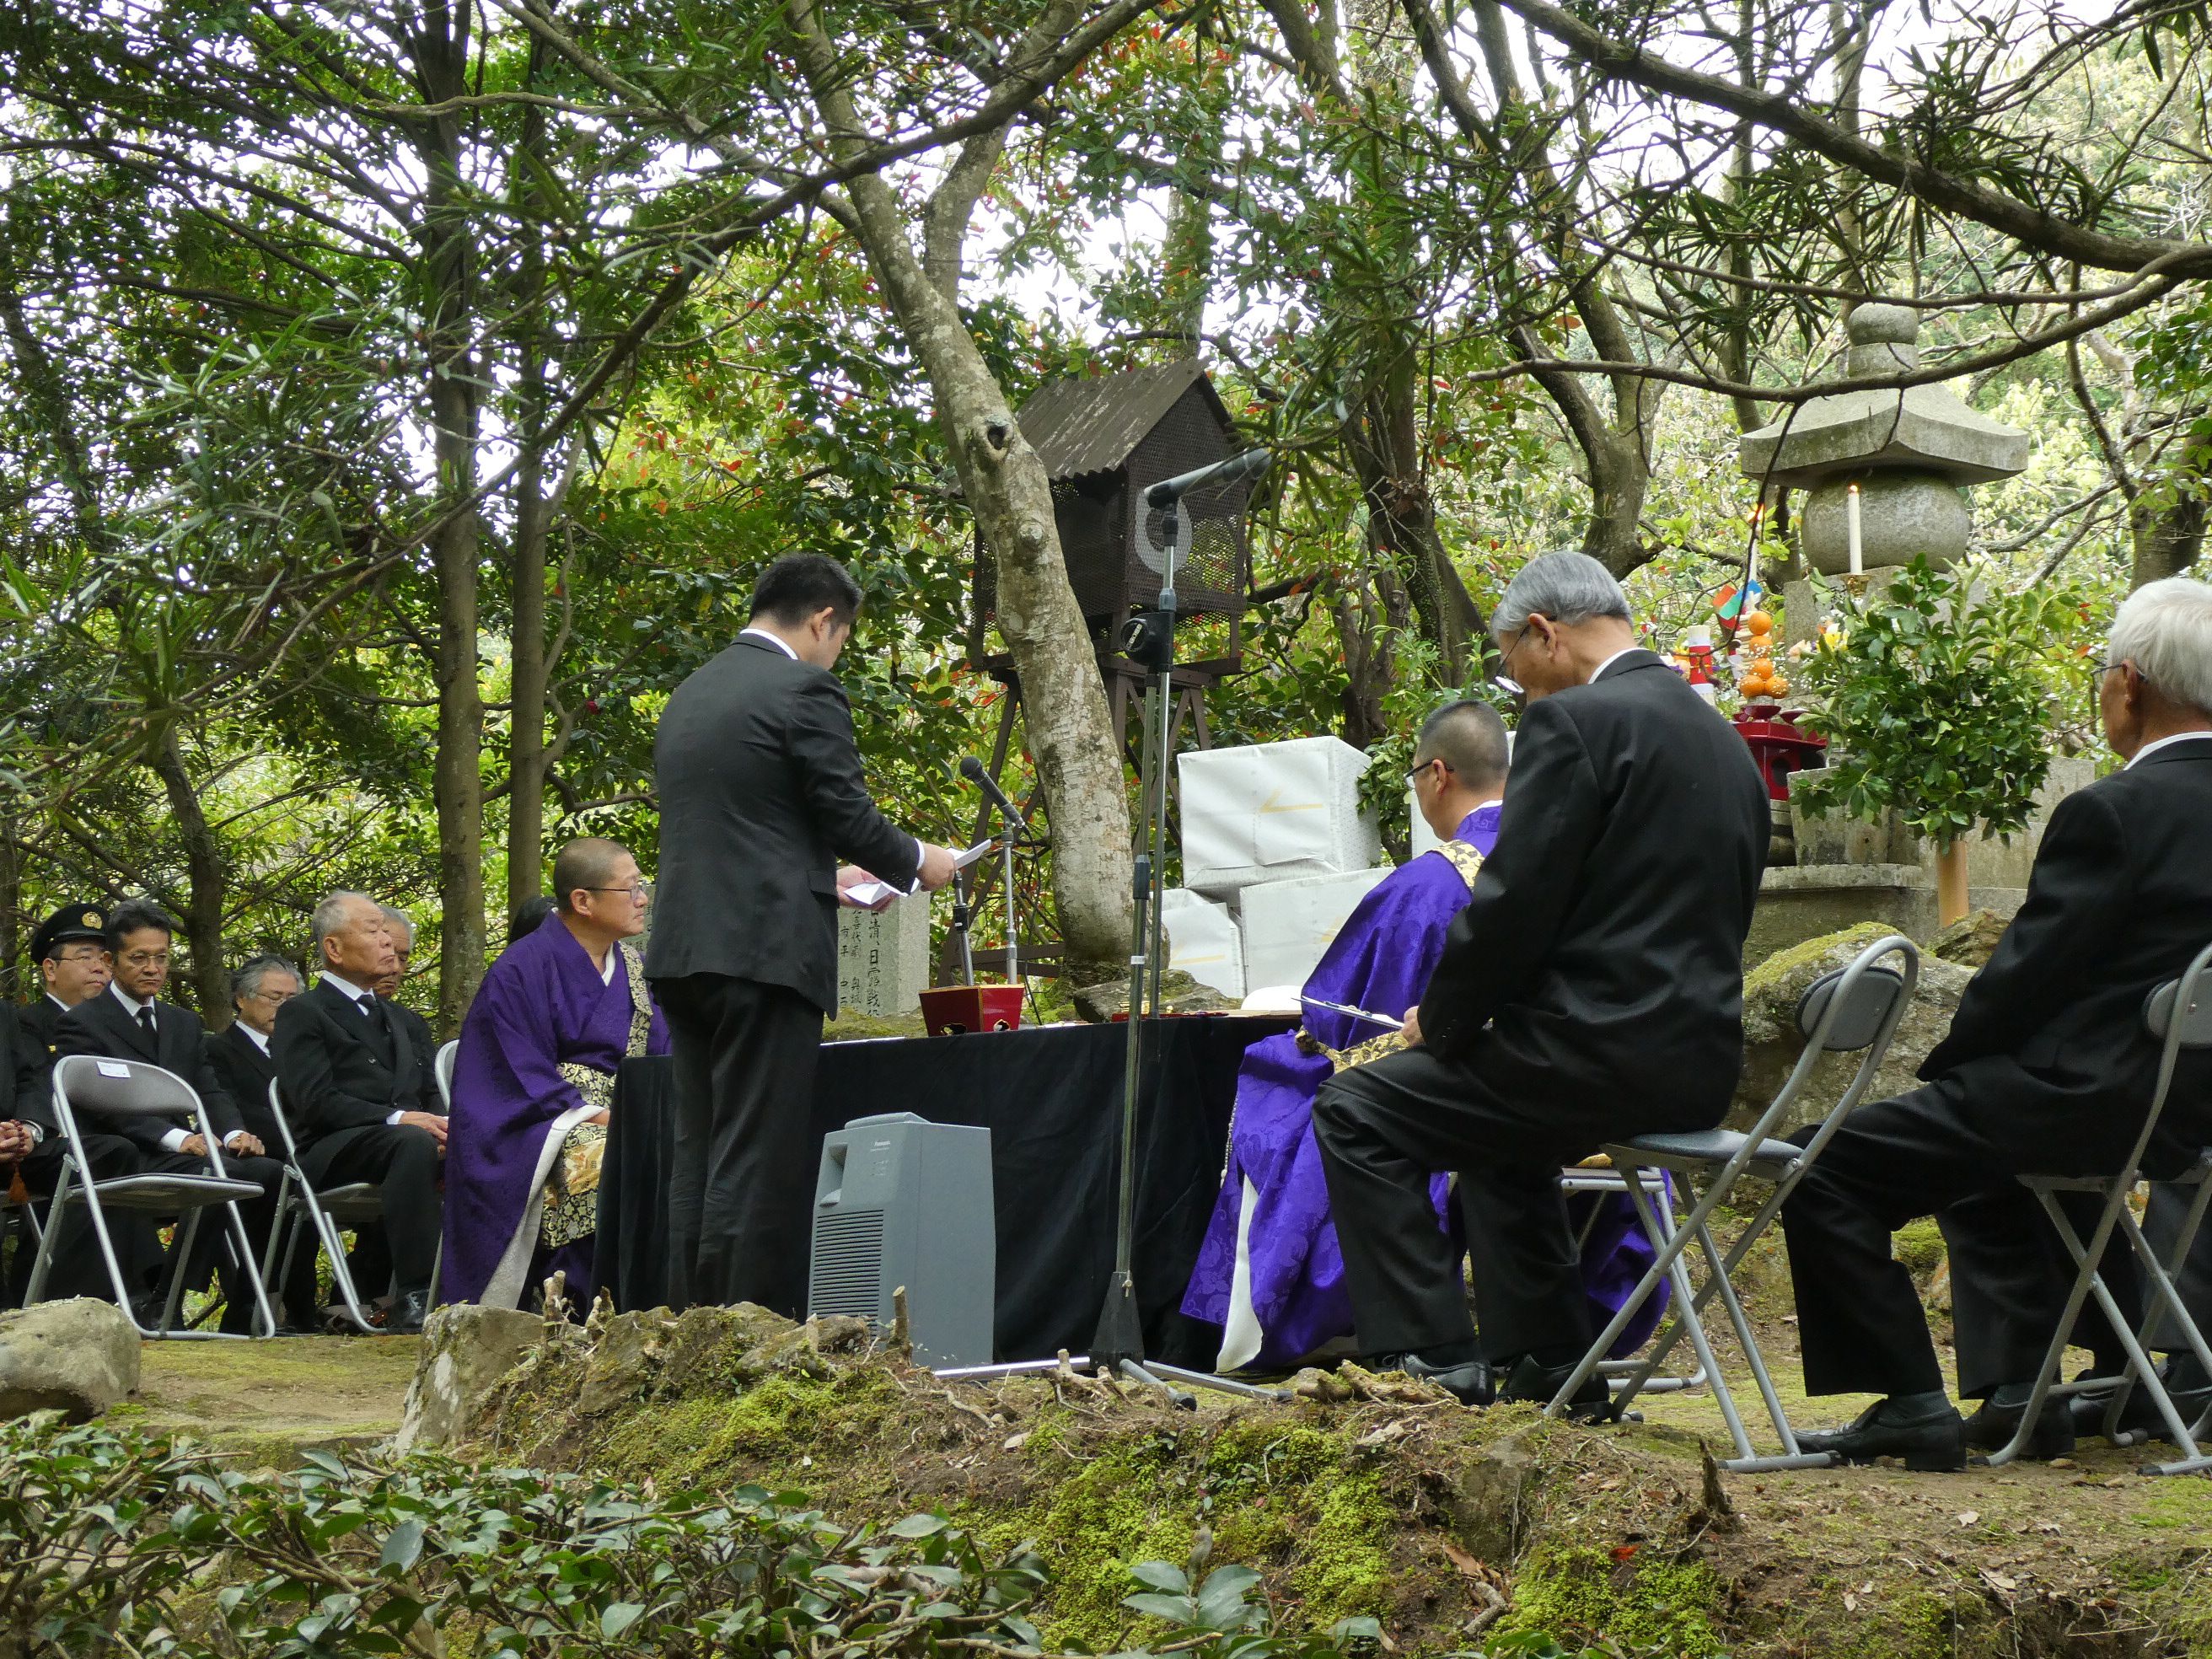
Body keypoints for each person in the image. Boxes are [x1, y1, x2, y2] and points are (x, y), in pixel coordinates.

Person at [1311, 553, 1769, 1408]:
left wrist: (1439, 1025)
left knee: (1353, 1109)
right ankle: (1547, 1368)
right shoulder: (1723, 741)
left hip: (1590, 1056)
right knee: (1498, 1135)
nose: (1517, 689)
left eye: (1511, 665)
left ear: (1543, 633)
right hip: (1697, 1066)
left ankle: (1427, 1362)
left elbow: (1512, 909)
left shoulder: (1578, 725)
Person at [1783, 576, 2212, 1470]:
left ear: (2126, 685)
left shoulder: (2112, 812)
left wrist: (1949, 1067)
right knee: (1984, 1162)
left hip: (2088, 1098)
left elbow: (2023, 980)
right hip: (2188, 1113)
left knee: (1822, 1167)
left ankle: (1906, 1398)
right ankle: (2029, 1392)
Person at [1181, 701, 1667, 1370]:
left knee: (1288, 1082)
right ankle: (1543, 1355)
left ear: (1437, 774)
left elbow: (1340, 1022)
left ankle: (1419, 1345)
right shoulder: (1570, 859)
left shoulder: (1430, 884)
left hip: (1472, 1105)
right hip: (1606, 1090)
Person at [647, 553, 958, 1314]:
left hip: (686, 950)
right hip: (765, 957)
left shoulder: (692, 693)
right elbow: (844, 813)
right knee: (755, 1154)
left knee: (702, 1150)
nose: (836, 653)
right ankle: (737, 1337)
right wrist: (924, 861)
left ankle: (685, 1325)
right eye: (841, 638)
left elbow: (750, 825)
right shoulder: (804, 687)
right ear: (824, 620)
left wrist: (831, 878)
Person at [443, 837, 670, 1309]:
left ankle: (656, 1302)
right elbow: (511, 1068)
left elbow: (663, 1054)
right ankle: (577, 1304)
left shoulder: (635, 969)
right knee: (605, 1158)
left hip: (627, 1107)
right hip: (544, 1121)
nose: (643, 899)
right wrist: (592, 1114)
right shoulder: (521, 968)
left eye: (642, 887)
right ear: (582, 900)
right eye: (630, 889)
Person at [56, 900, 286, 1333]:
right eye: (138, 958)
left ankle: (244, 1310)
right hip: (120, 1153)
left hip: (183, 1153)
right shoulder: (84, 1023)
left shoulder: (182, 1023)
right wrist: (177, 1138)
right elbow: (101, 1104)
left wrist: (234, 1131)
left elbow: (208, 1089)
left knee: (268, 1171)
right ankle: (166, 1298)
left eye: (161, 957)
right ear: (110, 960)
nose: (152, 968)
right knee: (210, 1173)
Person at [271, 891, 446, 1334]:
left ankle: (503, 1287)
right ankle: (416, 1294)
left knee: (490, 1144)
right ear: (334, 948)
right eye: (373, 931)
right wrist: (398, 1118)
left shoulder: (406, 1020)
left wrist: (446, 1125)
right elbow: (315, 1101)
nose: (388, 941)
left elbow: (431, 1094)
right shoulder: (302, 1012)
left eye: (388, 931)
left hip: (408, 1143)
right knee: (410, 1141)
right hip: (332, 1148)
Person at [1, 996, 142, 1307]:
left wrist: (29, 1128)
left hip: (14, 1145)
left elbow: (28, 1081)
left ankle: (70, 1305)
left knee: (108, 1152)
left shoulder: (3, 1011)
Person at [204, 953, 321, 1328]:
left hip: (304, 1154)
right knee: (283, 1181)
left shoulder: (304, 1055)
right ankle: (261, 1308)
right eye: (274, 998)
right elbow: (228, 1108)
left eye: (292, 1000)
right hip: (253, 1154)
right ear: (242, 998)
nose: (283, 1008)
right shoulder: (217, 1049)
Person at [21, 903, 114, 1060]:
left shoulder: (120, 1028)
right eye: (85, 957)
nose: (99, 967)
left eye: (105, 959)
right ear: (51, 970)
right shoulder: (22, 1027)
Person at [375, 907, 440, 1088]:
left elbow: (433, 1089)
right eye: (385, 954)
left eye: (402, 959)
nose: (394, 968)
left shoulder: (411, 1023)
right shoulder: (315, 1014)